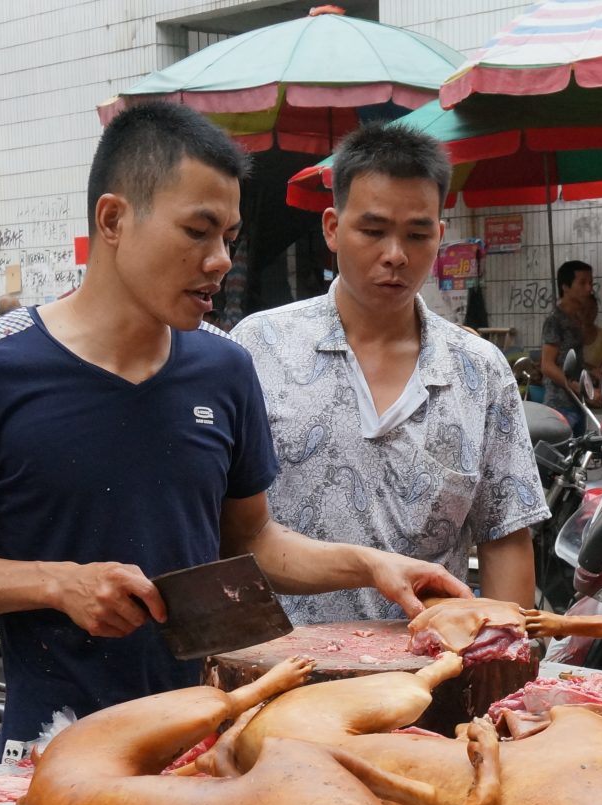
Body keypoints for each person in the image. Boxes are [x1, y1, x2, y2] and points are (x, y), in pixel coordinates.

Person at [0, 103, 466, 761]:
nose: (219, 260)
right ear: (113, 220)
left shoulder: (224, 368)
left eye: (230, 237)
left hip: (200, 753)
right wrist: (57, 584)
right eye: (197, 230)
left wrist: (368, 564)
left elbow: (252, 541)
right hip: (47, 754)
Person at [232, 121, 549, 622]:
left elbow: (503, 533)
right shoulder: (258, 349)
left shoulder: (478, 370)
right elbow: (231, 531)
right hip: (279, 674)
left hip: (428, 676)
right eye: (373, 231)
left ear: (440, 236)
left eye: (417, 234)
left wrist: (503, 656)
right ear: (332, 228)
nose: (396, 255)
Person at [539, 260, 594, 430]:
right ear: (565, 287)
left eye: (590, 283)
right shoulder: (555, 320)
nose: (589, 289)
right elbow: (547, 365)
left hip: (577, 403)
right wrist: (573, 385)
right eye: (582, 283)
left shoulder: (577, 319)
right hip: (560, 404)